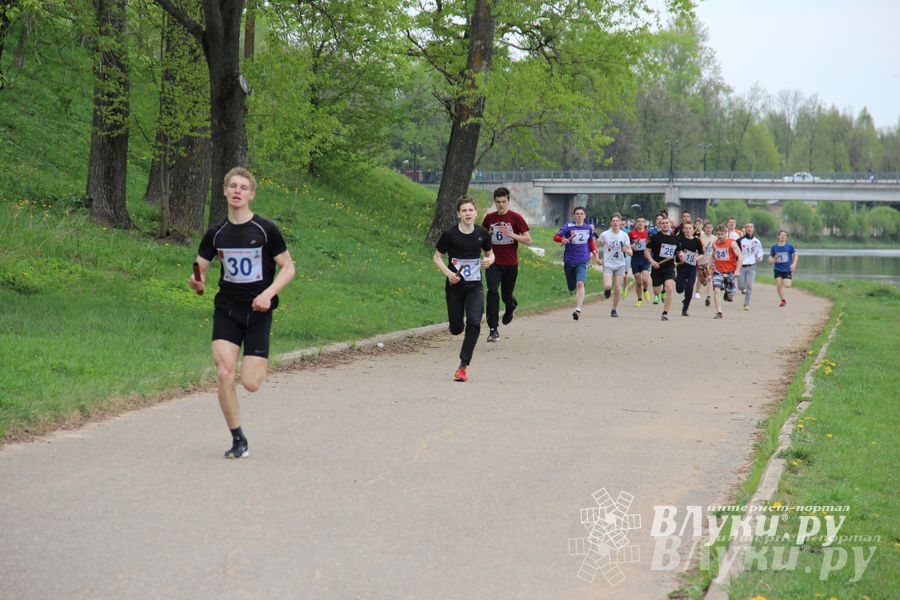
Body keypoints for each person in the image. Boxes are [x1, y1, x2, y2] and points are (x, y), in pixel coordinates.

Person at [189, 167, 296, 459]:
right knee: (224, 373)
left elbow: (289, 268)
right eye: (232, 186)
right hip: (227, 310)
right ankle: (238, 439)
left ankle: (255, 365)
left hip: (258, 312)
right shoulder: (216, 233)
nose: (237, 191)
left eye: (243, 187)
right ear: (225, 191)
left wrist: (268, 293)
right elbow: (200, 267)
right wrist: (197, 281)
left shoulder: (265, 230)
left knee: (250, 383)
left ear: (251, 194)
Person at [434, 197, 495, 383]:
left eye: (470, 210)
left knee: (475, 323)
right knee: (456, 328)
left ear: (476, 213)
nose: (468, 213)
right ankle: (455, 326)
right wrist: (448, 274)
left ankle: (463, 366)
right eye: (464, 211)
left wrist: (489, 261)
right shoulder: (449, 234)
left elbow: (490, 254)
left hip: (475, 286)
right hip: (455, 287)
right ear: (458, 214)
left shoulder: (482, 233)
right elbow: (437, 257)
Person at [482, 187, 531, 342]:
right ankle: (493, 329)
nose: (501, 205)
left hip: (510, 264)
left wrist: (511, 235)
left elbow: (528, 240)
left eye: (504, 202)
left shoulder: (516, 217)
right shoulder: (489, 218)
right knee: (492, 291)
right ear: (494, 202)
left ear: (508, 201)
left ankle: (510, 306)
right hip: (493, 262)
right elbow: (483, 239)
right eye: (498, 202)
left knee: (506, 295)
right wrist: (485, 253)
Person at [554, 206, 599, 320]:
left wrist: (593, 250)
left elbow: (590, 241)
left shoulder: (588, 228)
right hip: (569, 260)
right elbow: (556, 237)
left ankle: (578, 310)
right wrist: (562, 240)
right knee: (571, 287)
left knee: (580, 283)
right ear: (574, 216)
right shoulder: (568, 227)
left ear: (584, 215)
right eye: (577, 214)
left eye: (581, 213)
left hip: (582, 259)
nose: (579, 215)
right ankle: (576, 287)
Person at [645, 216, 682, 321]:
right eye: (663, 223)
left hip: (669, 267)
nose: (665, 225)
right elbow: (646, 252)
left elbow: (679, 252)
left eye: (667, 223)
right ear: (660, 225)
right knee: (656, 290)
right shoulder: (655, 237)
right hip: (657, 267)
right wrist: (652, 261)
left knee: (670, 287)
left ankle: (665, 313)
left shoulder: (675, 238)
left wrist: (681, 256)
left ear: (670, 225)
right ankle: (659, 293)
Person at [598, 213, 633, 317]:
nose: (615, 222)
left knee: (618, 288)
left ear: (620, 222)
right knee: (608, 285)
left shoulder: (624, 235)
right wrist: (597, 258)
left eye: (617, 221)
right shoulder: (605, 234)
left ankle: (614, 309)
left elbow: (631, 252)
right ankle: (607, 290)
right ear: (611, 222)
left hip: (620, 264)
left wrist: (626, 250)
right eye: (613, 221)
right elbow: (596, 246)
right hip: (608, 263)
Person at [710, 224, 743, 319]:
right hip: (718, 270)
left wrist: (737, 270)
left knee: (730, 297)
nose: (720, 236)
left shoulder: (732, 243)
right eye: (718, 234)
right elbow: (713, 255)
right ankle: (719, 312)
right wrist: (710, 265)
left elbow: (740, 256)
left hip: (731, 271)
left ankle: (728, 293)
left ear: (726, 234)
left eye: (722, 234)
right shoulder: (715, 243)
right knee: (716, 289)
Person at [675, 221, 703, 316]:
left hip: (691, 267)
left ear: (693, 229)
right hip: (681, 267)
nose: (688, 230)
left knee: (690, 287)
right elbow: (675, 252)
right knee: (679, 289)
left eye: (689, 228)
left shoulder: (696, 241)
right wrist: (679, 255)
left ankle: (685, 308)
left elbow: (702, 254)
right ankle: (682, 288)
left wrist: (696, 258)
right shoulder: (679, 240)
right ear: (683, 230)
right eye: (686, 228)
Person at [737, 222, 764, 311]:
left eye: (751, 227)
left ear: (753, 229)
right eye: (747, 227)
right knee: (741, 286)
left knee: (749, 286)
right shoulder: (740, 241)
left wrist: (759, 257)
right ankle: (741, 288)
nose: (749, 229)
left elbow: (760, 252)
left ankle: (746, 304)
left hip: (752, 266)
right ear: (745, 229)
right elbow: (734, 251)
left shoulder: (757, 241)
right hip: (741, 266)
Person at [768, 230, 799, 307]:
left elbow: (796, 254)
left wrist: (794, 264)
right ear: (778, 236)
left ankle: (784, 280)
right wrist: (770, 260)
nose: (783, 236)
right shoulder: (774, 247)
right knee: (778, 285)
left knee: (787, 285)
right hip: (777, 269)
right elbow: (770, 257)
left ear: (786, 237)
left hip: (787, 269)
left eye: (784, 235)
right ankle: (783, 300)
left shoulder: (789, 246)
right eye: (781, 235)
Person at [628, 216, 652, 306]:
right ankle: (639, 299)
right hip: (635, 259)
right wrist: (631, 246)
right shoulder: (631, 234)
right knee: (638, 281)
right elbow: (627, 245)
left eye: (642, 221)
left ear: (645, 223)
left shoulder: (648, 233)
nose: (640, 223)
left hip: (645, 258)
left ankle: (645, 290)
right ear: (636, 223)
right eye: (638, 221)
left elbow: (652, 244)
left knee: (645, 280)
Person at [695, 220, 716, 306]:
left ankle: (708, 297)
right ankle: (697, 291)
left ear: (712, 229)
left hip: (710, 262)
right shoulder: (700, 236)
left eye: (710, 228)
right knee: (701, 279)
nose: (709, 229)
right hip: (701, 261)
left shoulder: (715, 238)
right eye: (707, 227)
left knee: (709, 279)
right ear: (704, 228)